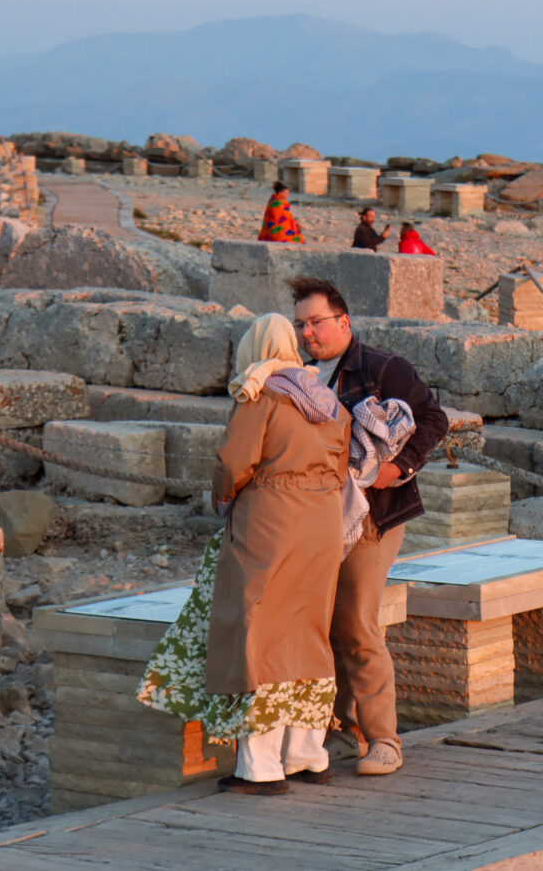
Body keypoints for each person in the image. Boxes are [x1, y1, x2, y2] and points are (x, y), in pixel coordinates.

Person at [138, 314, 351, 795]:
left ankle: (260, 768)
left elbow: (234, 462)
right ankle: (308, 754)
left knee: (261, 636)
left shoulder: (263, 395)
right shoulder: (326, 398)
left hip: (271, 522)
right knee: (309, 632)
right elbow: (341, 464)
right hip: (321, 524)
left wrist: (223, 495)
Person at [290, 277, 449, 776]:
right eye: (300, 324)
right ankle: (342, 731)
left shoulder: (382, 368)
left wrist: (397, 469)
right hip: (318, 521)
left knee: (357, 623)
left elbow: (433, 419)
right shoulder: (302, 375)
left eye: (316, 322)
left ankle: (385, 740)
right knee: (322, 624)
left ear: (343, 322)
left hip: (374, 517)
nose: (307, 332)